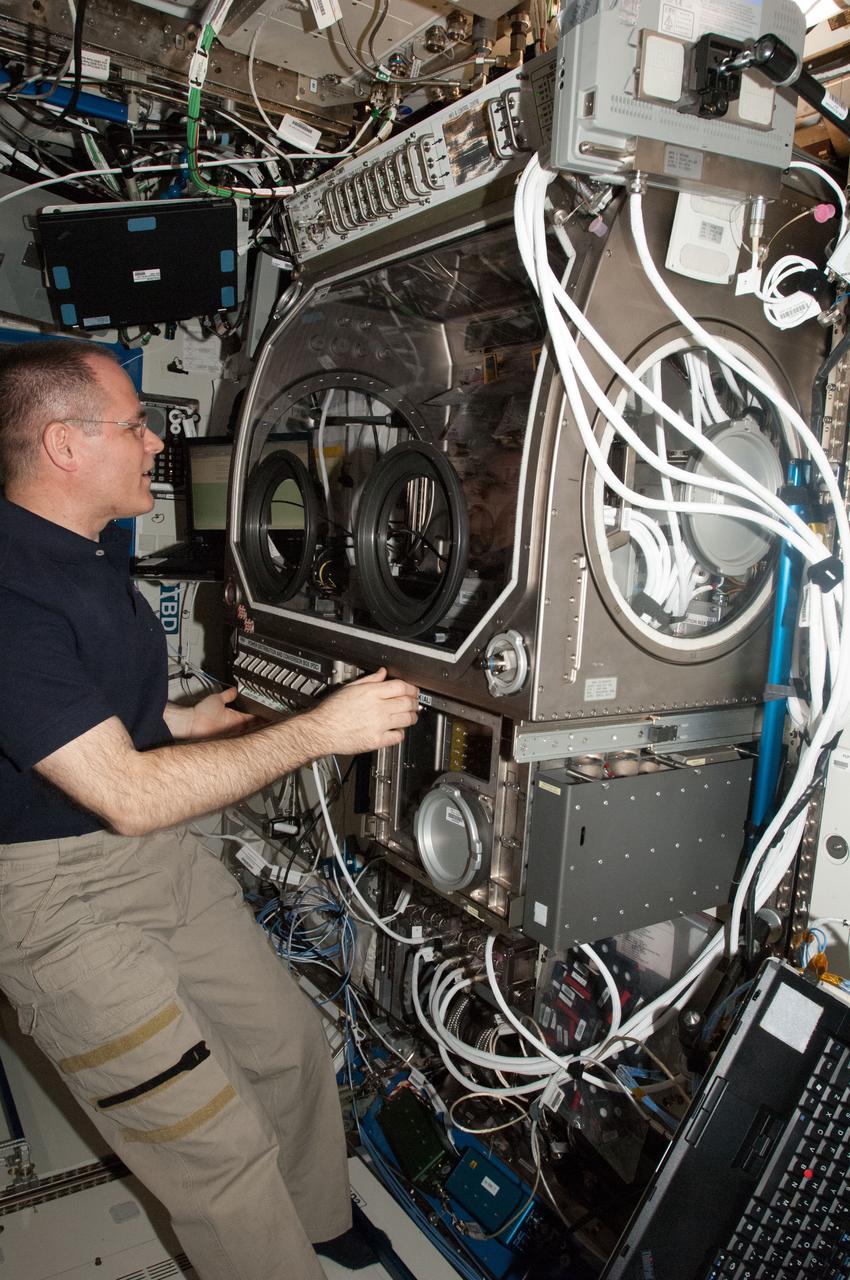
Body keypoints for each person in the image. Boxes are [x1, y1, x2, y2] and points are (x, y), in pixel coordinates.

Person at [0, 339, 420, 1280]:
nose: (157, 443)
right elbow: (124, 793)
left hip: (144, 858)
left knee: (289, 1045)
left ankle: (321, 1219)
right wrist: (319, 732)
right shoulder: (8, 590)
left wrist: (179, 721)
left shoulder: (77, 550)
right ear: (65, 445)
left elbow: (73, 716)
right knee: (212, 1148)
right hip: (50, 900)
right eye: (135, 426)